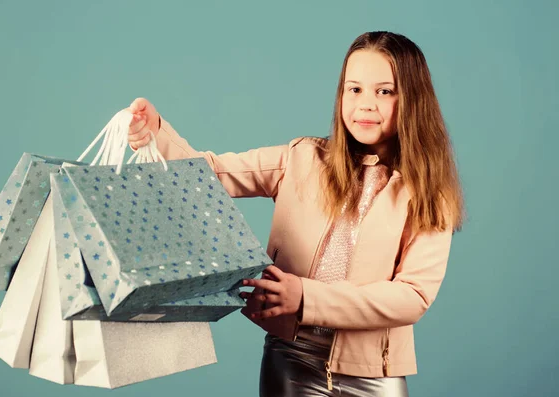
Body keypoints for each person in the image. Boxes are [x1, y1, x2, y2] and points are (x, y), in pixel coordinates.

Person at [126, 31, 464, 397]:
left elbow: (412, 296)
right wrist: (157, 133)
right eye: (354, 89)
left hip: (375, 374)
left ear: (413, 99)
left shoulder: (430, 191)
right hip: (291, 359)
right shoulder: (301, 159)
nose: (366, 104)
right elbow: (211, 173)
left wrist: (305, 296)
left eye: (384, 91)